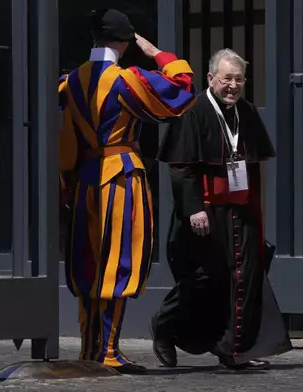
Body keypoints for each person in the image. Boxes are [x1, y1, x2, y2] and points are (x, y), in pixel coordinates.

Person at [58, 8, 196, 374]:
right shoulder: (126, 80)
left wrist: (66, 184)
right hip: (120, 178)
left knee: (89, 263)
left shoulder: (69, 82)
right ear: (124, 42)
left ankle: (91, 348)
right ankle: (107, 351)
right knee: (117, 263)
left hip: (85, 179)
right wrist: (159, 56)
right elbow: (182, 92)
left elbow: (65, 142)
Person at [150, 48, 292, 370]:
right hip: (206, 212)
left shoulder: (247, 113)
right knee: (202, 279)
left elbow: (253, 168)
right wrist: (194, 209)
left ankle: (234, 349)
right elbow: (181, 167)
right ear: (211, 78)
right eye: (227, 78)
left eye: (239, 79)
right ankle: (164, 326)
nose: (233, 86)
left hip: (239, 211)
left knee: (243, 279)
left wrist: (255, 214)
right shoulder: (192, 110)